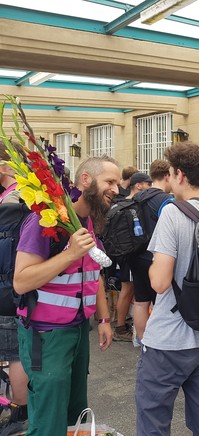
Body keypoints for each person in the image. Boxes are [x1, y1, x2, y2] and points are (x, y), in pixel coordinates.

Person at [135, 141, 199, 435]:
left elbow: (159, 281)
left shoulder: (173, 213)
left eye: (170, 173)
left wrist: (154, 262)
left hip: (170, 338)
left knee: (153, 418)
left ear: (180, 174)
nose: (168, 178)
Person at [13, 156, 119, 435]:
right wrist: (70, 253)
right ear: (85, 180)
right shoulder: (42, 221)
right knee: (49, 417)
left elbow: (92, 272)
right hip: (46, 334)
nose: (117, 189)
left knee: (75, 413)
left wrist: (104, 318)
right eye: (110, 181)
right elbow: (21, 282)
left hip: (77, 329)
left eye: (118, 183)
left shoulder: (88, 221)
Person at [0, 141, 28, 434]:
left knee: (15, 354)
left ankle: (20, 411)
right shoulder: (27, 197)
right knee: (17, 353)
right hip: (19, 289)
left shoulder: (11, 201)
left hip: (8, 289)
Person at [129, 160, 173, 342]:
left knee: (140, 301)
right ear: (167, 176)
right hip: (156, 258)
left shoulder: (136, 197)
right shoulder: (165, 200)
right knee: (161, 302)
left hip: (135, 254)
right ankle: (157, 341)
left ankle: (141, 339)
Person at [112, 172, 153, 342]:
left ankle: (122, 325)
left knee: (129, 290)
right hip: (131, 254)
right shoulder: (132, 204)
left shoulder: (123, 204)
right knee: (127, 289)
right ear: (138, 185)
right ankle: (120, 328)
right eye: (147, 184)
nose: (149, 187)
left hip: (125, 254)